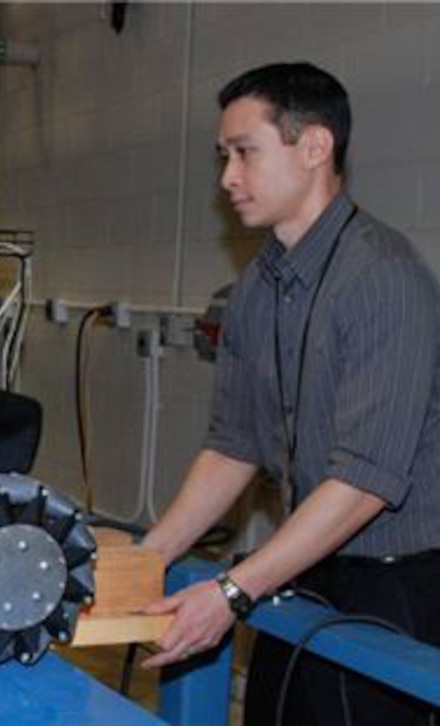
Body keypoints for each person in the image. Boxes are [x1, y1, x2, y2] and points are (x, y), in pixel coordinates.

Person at [138, 62, 440, 725]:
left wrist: (233, 591)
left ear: (314, 147)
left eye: (245, 152)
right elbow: (232, 445)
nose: (227, 178)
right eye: (224, 156)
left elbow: (364, 480)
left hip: (398, 584)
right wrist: (142, 562)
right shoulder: (256, 289)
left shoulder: (382, 278)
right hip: (305, 567)